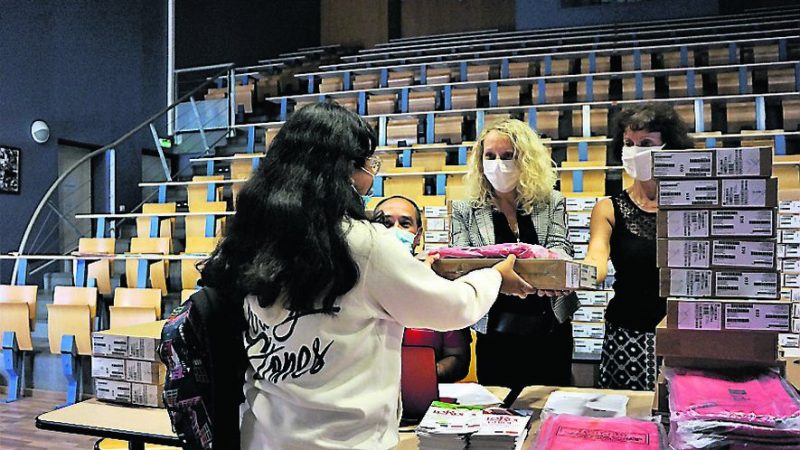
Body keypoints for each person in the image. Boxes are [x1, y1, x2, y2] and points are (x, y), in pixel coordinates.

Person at [199, 102, 534, 450]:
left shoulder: (251, 236)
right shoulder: (362, 242)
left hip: (263, 436)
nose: (371, 176)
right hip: (343, 440)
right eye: (369, 163)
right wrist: (494, 276)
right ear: (344, 169)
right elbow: (454, 308)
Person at [451, 118, 579, 392]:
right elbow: (462, 263)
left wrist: (551, 276)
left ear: (526, 160)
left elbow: (561, 248)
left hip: (550, 328)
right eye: (490, 156)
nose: (498, 164)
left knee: (548, 405)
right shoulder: (464, 209)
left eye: (508, 156)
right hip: (496, 332)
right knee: (499, 412)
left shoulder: (550, 201)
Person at [582, 102, 693, 391]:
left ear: (669, 147)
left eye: (646, 143)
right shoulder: (608, 207)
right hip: (627, 335)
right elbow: (596, 260)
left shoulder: (692, 207)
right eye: (629, 143)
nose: (635, 151)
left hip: (684, 334)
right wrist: (568, 276)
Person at [373, 195, 472, 383]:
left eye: (404, 224)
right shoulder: (353, 285)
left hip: (424, 397)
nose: (394, 231)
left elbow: (458, 359)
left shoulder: (441, 287)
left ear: (417, 236)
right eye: (385, 223)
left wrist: (420, 372)